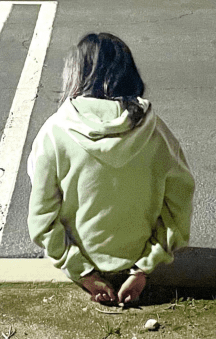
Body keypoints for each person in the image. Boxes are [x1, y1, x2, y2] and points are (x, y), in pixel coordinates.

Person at [27, 33, 195, 305]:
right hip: (137, 261)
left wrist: (84, 273)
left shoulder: (55, 132)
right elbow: (179, 204)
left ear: (75, 76)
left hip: (80, 261)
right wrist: (143, 268)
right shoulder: (156, 132)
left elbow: (41, 220)